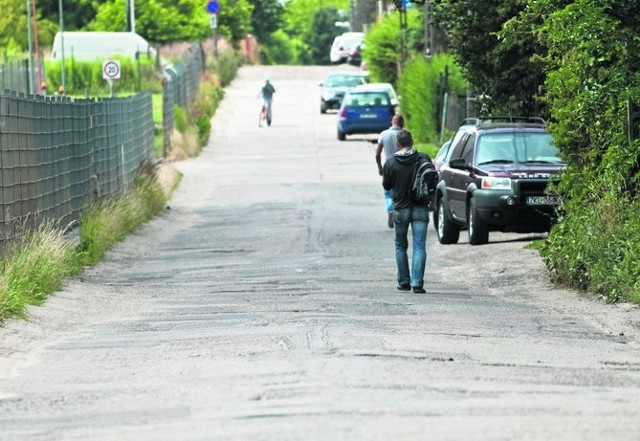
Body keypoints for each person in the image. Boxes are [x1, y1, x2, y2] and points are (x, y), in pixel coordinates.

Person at [382, 129, 430, 294]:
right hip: (420, 208)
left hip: (401, 209)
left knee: (400, 245)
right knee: (419, 245)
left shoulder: (390, 162)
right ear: (412, 141)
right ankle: (417, 283)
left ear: (397, 144)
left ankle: (404, 282)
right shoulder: (423, 158)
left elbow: (386, 186)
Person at [376, 114, 404, 228]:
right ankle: (399, 213)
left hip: (388, 167)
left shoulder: (384, 134)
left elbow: (377, 154)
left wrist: (380, 168)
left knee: (388, 193)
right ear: (401, 123)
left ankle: (390, 210)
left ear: (392, 122)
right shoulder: (403, 134)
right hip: (401, 167)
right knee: (401, 192)